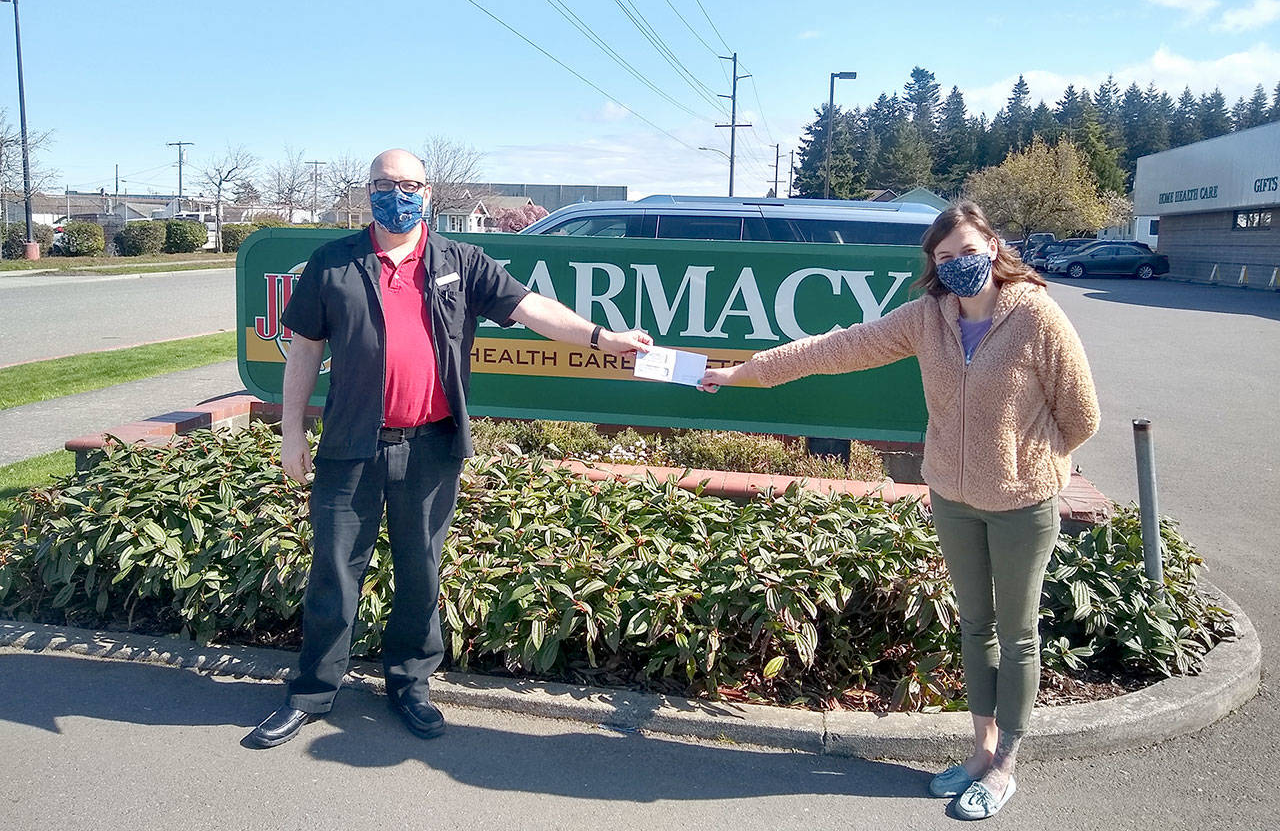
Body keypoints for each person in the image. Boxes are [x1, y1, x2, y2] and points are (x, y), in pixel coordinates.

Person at [699, 201, 1099, 820]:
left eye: (970, 251)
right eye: (946, 257)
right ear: (933, 265)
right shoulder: (926, 319)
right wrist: (742, 373)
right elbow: (836, 349)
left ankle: (1006, 766)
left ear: (992, 247)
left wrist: (1033, 458)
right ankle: (980, 750)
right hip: (953, 499)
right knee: (975, 626)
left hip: (1023, 502)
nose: (960, 265)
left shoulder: (1038, 318)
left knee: (1018, 632)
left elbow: (1081, 414)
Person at [245, 148, 652, 749]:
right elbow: (303, 348)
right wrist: (290, 432)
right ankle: (311, 691)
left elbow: (532, 307)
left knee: (421, 571)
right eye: (385, 184)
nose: (397, 194)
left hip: (432, 445)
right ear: (368, 192)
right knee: (333, 570)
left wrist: (602, 338)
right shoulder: (332, 264)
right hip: (350, 448)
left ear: (429, 193)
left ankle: (410, 684)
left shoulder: (459, 261)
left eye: (409, 184)